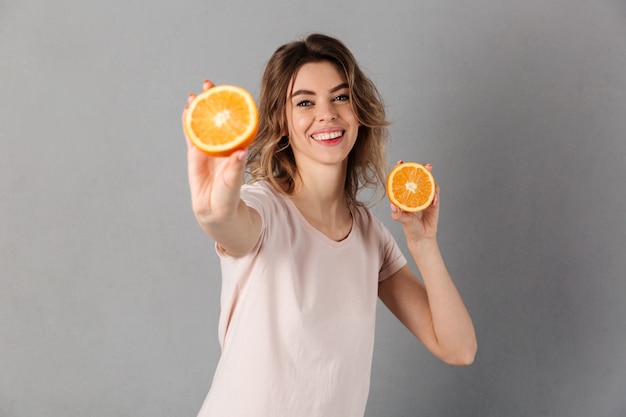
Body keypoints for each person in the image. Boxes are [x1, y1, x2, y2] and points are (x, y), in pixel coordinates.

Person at [183, 33, 477, 417]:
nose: (328, 114)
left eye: (340, 97)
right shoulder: (263, 207)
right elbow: (228, 223)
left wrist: (423, 244)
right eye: (305, 102)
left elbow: (459, 349)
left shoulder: (369, 234)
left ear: (359, 110)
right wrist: (212, 211)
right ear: (282, 121)